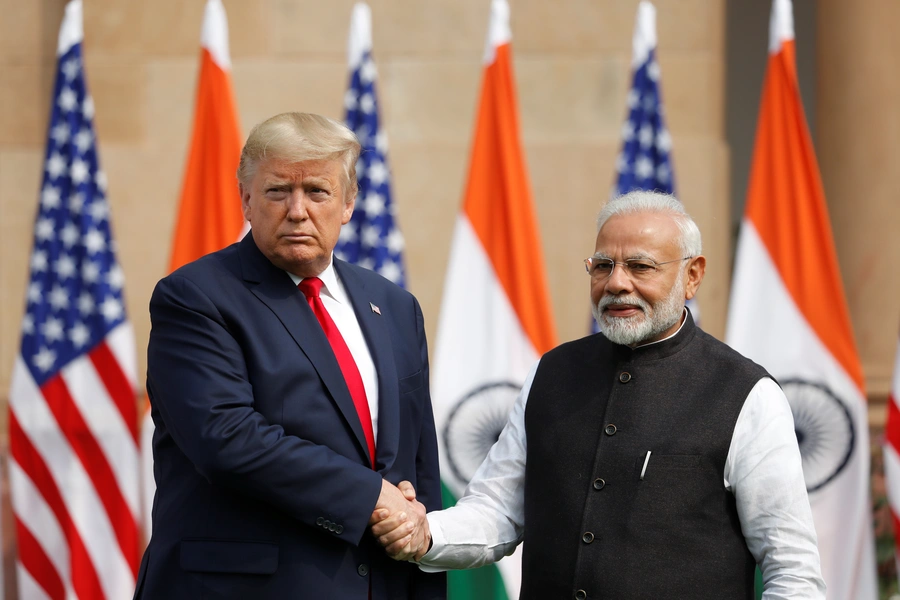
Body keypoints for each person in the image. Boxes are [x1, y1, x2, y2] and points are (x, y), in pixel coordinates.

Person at [372, 190, 825, 599]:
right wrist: (423, 532)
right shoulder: (552, 373)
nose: (617, 283)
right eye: (603, 265)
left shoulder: (746, 394)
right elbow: (497, 511)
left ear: (693, 276)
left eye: (641, 266)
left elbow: (792, 569)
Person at [134, 112, 444, 599]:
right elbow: (226, 438)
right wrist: (368, 497)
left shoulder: (397, 307)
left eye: (317, 192)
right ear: (246, 200)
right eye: (279, 191)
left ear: (347, 204)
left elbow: (419, 461)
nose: (297, 210)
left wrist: (422, 542)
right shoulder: (194, 297)